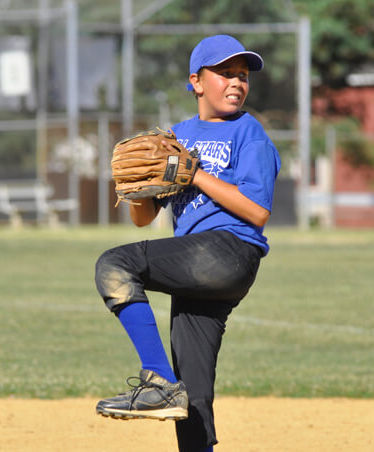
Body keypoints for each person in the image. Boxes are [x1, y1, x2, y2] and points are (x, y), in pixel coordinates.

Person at [94, 34, 281, 452]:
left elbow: (257, 211)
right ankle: (177, 403)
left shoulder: (249, 133)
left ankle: (156, 379)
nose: (237, 82)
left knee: (115, 265)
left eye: (243, 75)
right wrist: (136, 188)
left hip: (229, 252)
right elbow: (145, 218)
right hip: (194, 266)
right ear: (196, 81)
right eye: (225, 73)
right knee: (191, 404)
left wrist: (194, 173)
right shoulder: (175, 137)